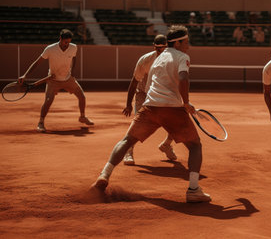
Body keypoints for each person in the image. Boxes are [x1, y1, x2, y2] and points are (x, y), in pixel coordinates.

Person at [91, 25, 211, 203]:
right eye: (186, 42)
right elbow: (184, 79)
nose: (188, 45)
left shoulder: (157, 59)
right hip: (172, 109)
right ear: (177, 43)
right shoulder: (183, 57)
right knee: (195, 146)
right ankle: (194, 189)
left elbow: (148, 87)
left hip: (150, 107)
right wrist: (185, 103)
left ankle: (104, 175)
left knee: (126, 141)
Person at [18, 29, 94, 133]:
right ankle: (41, 122)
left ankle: (82, 117)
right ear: (60, 39)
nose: (67, 44)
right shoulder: (50, 49)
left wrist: (73, 71)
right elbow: (37, 62)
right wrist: (25, 75)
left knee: (82, 96)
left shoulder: (73, 47)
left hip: (68, 78)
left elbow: (74, 58)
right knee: (48, 101)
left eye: (69, 42)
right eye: (65, 42)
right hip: (53, 80)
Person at [121, 34, 177, 166]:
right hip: (143, 94)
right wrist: (128, 104)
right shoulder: (145, 60)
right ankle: (128, 150)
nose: (162, 51)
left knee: (177, 121)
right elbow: (134, 82)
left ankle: (166, 145)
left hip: (162, 94)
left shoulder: (173, 60)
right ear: (154, 47)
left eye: (164, 48)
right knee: (138, 124)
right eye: (159, 49)